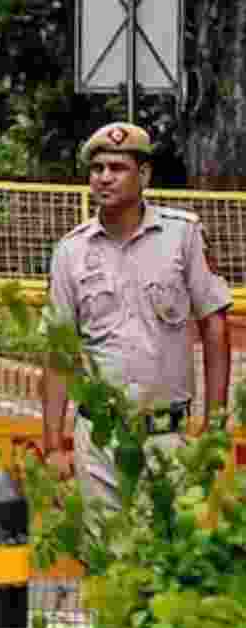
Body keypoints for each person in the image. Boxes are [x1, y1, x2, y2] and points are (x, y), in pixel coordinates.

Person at [42, 122, 232, 505]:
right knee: (101, 557)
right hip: (99, 440)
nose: (104, 178)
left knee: (167, 558)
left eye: (117, 168)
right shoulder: (71, 251)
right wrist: (52, 445)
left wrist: (214, 430)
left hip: (168, 439)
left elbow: (215, 328)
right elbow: (58, 352)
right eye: (97, 170)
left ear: (143, 174)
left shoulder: (183, 236)